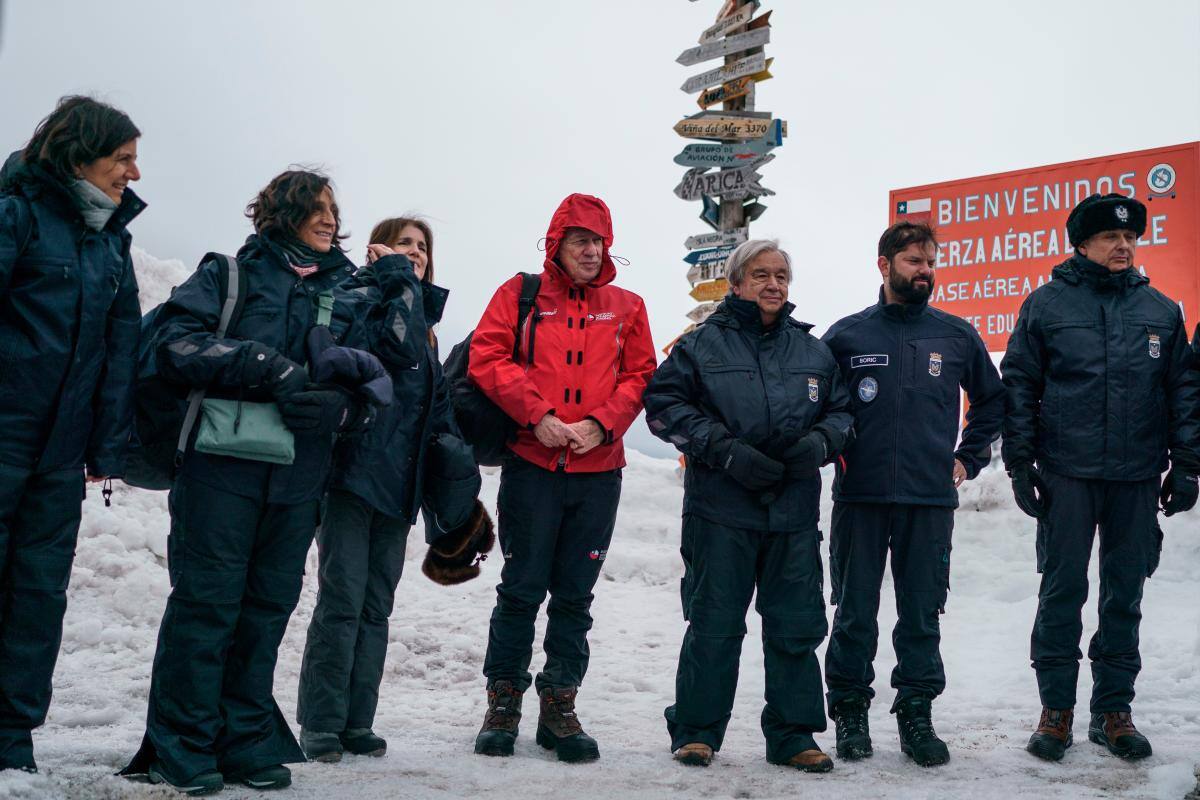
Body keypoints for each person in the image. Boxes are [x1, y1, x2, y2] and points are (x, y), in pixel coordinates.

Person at [122, 170, 385, 794]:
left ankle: (242, 740)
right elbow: (174, 344)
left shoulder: (349, 292)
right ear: (282, 213)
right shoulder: (227, 275)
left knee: (266, 610)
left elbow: (376, 384)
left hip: (299, 478)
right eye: (315, 208)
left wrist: (341, 410)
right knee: (205, 605)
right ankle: (178, 746)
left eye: (333, 210)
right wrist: (265, 367)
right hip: (219, 470)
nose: (328, 219)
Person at [1002, 194, 1200, 762]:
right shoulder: (1046, 306)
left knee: (1125, 595)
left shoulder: (1161, 311)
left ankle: (1114, 711)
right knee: (1061, 592)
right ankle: (1056, 712)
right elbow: (1019, 385)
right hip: (1067, 473)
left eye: (1131, 238)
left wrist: (1186, 464)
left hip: (1137, 475)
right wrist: (1020, 464)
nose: (1124, 246)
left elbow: (1184, 392)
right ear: (1082, 244)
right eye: (1111, 238)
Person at [643, 239, 853, 772]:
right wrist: (724, 451)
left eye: (781, 275)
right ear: (736, 283)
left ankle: (793, 734)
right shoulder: (701, 346)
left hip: (793, 513)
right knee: (714, 623)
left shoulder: (814, 352)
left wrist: (820, 444)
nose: (773, 284)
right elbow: (663, 406)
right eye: (760, 275)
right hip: (721, 511)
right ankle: (696, 731)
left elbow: (843, 414)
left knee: (795, 625)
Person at [468, 193, 656, 763]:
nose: (591, 251)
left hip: (598, 474)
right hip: (533, 465)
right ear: (556, 244)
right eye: (579, 240)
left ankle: (560, 706)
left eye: (598, 241)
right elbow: (487, 356)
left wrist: (603, 424)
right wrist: (539, 416)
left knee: (575, 595)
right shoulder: (520, 295)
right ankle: (503, 702)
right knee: (521, 589)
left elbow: (641, 374)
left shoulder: (628, 305)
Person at [296, 217, 491, 763]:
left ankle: (357, 722)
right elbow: (393, 353)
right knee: (341, 602)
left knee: (376, 607)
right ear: (380, 251)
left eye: (423, 246)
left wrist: (457, 483)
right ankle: (321, 724)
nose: (416, 253)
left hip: (399, 487)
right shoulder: (359, 297)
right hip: (351, 478)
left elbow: (437, 410)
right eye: (404, 244)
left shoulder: (425, 324)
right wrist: (398, 281)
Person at [820, 222, 1004, 767]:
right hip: (861, 497)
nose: (924, 271)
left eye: (930, 262)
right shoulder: (847, 336)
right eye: (913, 262)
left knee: (922, 612)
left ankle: (916, 712)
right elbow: (815, 405)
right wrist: (833, 451)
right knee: (854, 610)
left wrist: (967, 458)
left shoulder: (955, 335)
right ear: (884, 265)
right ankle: (850, 711)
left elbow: (993, 402)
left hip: (929, 499)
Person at [0, 96, 144, 774]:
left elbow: (121, 347)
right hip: (3, 435)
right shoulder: (16, 215)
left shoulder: (112, 239)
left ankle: (10, 735)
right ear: (78, 155)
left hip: (58, 454)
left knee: (37, 594)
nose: (133, 173)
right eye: (121, 158)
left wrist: (106, 447)